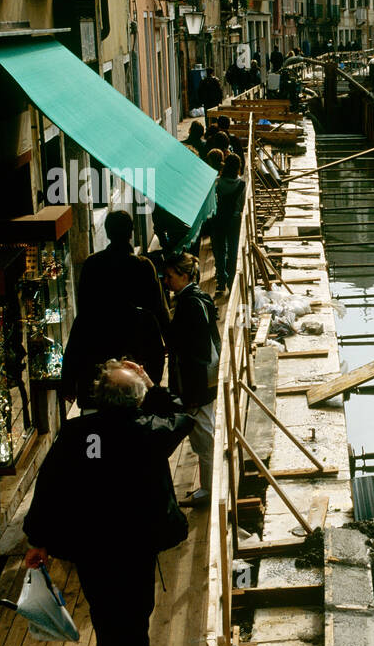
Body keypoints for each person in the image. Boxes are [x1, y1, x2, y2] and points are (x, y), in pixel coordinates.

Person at [23, 358, 195, 646]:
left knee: (104, 614)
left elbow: (48, 487)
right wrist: (152, 384)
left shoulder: (76, 433)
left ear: (98, 397)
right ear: (137, 400)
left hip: (92, 548)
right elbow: (182, 414)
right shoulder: (150, 432)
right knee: (135, 625)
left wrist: (38, 539)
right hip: (135, 547)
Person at [63, 210, 169, 405]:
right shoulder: (143, 266)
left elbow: (83, 313)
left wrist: (69, 382)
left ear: (108, 233)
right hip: (135, 345)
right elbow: (159, 308)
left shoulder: (92, 264)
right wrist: (168, 340)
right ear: (131, 232)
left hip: (98, 344)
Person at [163, 253, 220, 507]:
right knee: (204, 435)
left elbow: (195, 351)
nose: (166, 281)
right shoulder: (196, 298)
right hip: (201, 380)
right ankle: (207, 487)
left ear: (184, 276)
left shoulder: (190, 303)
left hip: (197, 383)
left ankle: (209, 489)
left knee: (204, 437)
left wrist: (191, 392)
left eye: (170, 276)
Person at [212, 154, 246, 296]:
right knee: (233, 250)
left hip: (219, 219)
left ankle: (221, 280)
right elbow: (243, 204)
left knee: (219, 249)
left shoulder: (217, 182)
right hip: (234, 220)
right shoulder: (242, 184)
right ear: (238, 167)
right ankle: (232, 281)